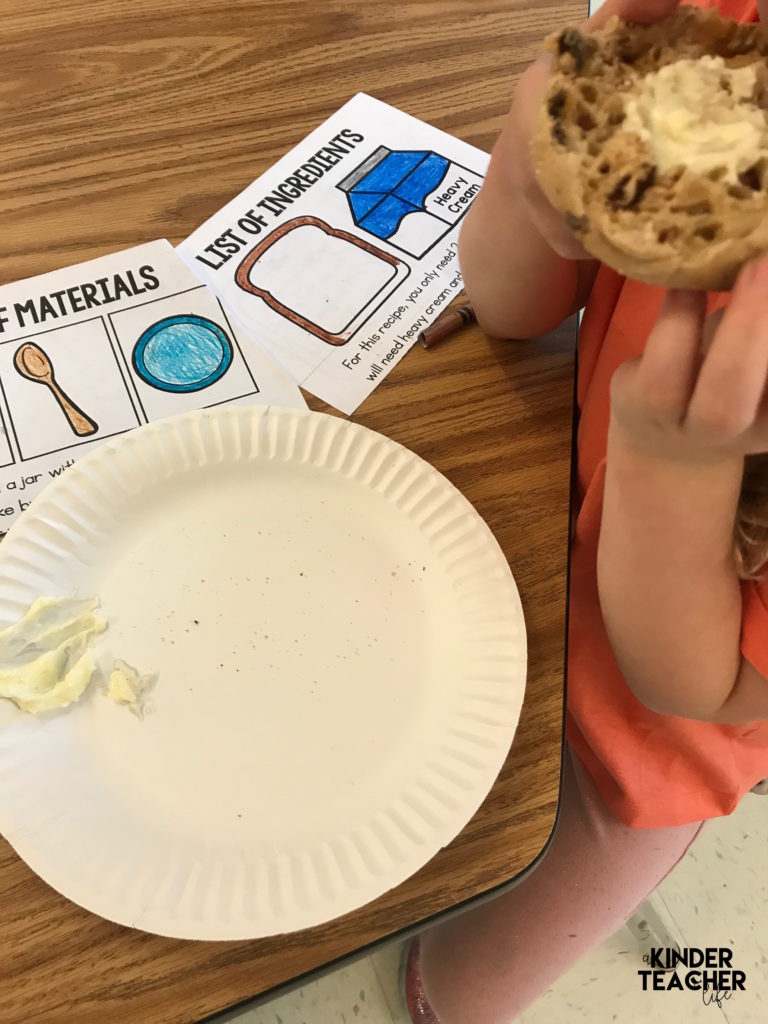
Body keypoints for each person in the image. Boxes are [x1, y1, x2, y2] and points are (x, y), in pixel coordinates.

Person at [404, 0, 768, 1021]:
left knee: (464, 990)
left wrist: (672, 462)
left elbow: (705, 686)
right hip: (518, 538)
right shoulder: (711, 30)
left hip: (646, 733)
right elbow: (519, 312)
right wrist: (529, 178)